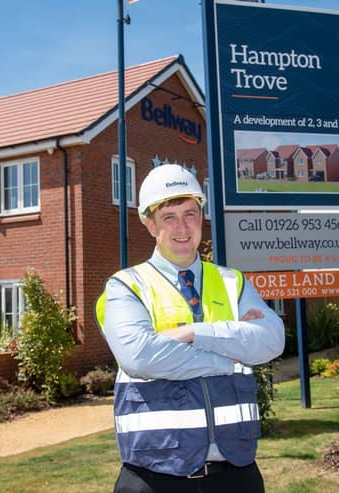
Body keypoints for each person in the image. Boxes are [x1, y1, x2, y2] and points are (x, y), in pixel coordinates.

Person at [95, 164, 285, 493]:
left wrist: (194, 334)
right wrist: (230, 357)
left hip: (236, 474)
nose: (182, 227)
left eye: (190, 214)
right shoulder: (127, 287)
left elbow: (272, 341)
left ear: (201, 216)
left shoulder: (232, 282)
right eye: (169, 216)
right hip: (155, 477)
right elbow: (141, 357)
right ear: (149, 222)